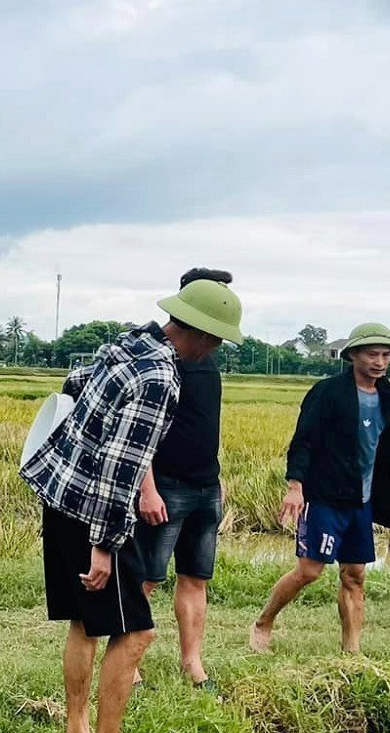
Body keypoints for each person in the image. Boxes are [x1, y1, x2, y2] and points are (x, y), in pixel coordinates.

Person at [22, 277, 241, 733]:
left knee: (85, 622)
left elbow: (74, 384)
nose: (216, 348)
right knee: (138, 632)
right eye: (217, 338)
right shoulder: (161, 375)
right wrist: (103, 545)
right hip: (91, 509)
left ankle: (76, 725)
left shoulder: (128, 343)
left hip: (60, 494)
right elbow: (122, 464)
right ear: (200, 333)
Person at [250, 322, 390, 654]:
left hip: (362, 499)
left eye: (386, 355)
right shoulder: (327, 392)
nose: (380, 362)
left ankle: (352, 651)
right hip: (325, 495)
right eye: (372, 354)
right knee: (310, 571)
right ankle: (263, 622)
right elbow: (303, 442)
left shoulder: (387, 396)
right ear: (353, 355)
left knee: (355, 575)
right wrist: (295, 487)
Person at [133, 267, 232, 692]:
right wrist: (147, 488)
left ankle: (193, 664)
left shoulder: (208, 360)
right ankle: (130, 662)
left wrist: (218, 478)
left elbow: (206, 425)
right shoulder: (158, 356)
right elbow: (139, 431)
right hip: (165, 487)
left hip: (206, 486)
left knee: (196, 576)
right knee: (147, 578)